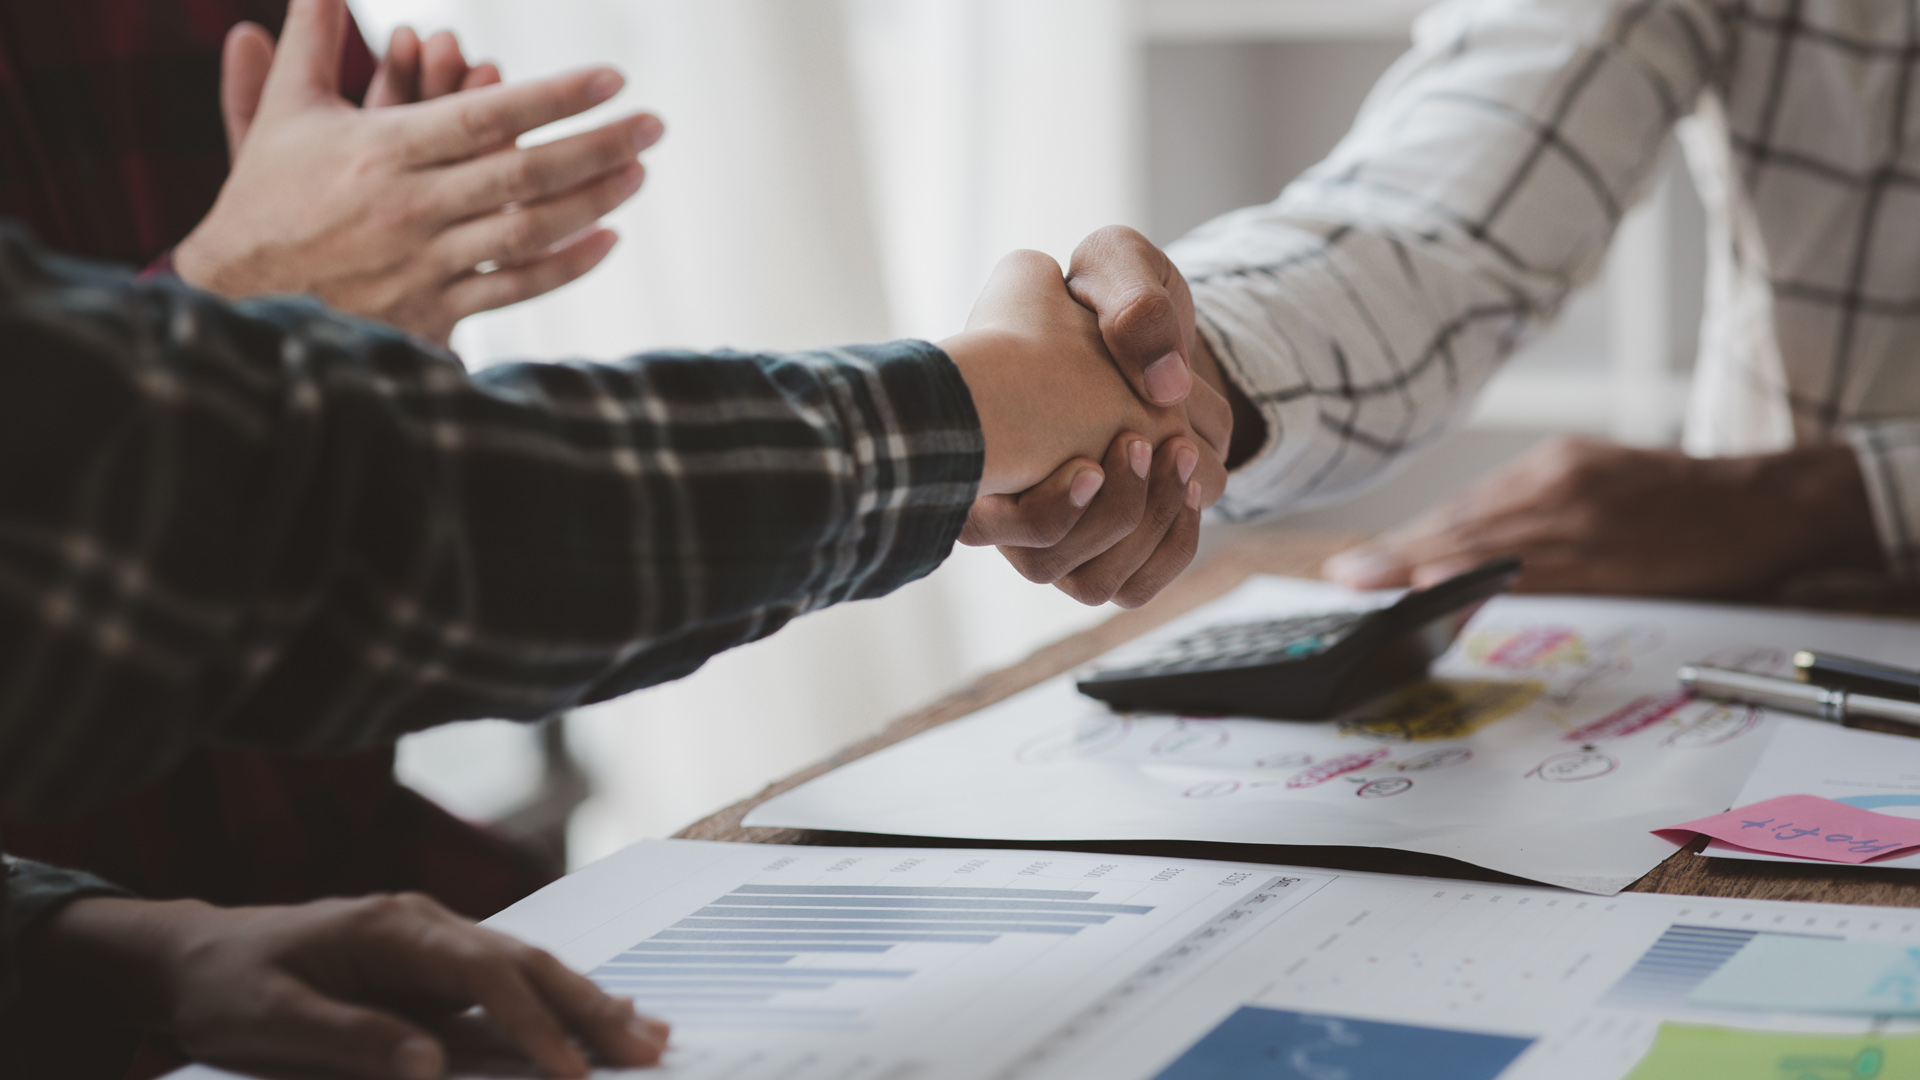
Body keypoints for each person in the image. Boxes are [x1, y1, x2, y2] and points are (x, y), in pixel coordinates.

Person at [1051, 0, 1917, 599]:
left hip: (1754, 566)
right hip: (1759, 622)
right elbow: (1434, 222)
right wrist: (1172, 356)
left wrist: (1825, 500)